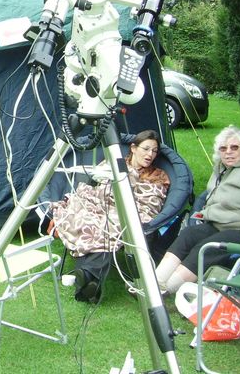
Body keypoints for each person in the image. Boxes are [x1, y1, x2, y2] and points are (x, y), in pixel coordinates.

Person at [155, 125, 240, 295]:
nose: (228, 152)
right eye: (223, 148)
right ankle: (155, 281)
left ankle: (166, 289)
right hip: (218, 225)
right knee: (188, 235)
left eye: (234, 147)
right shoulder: (222, 169)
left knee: (209, 246)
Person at [50, 130, 170, 303]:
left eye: (154, 151)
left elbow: (151, 202)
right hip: (101, 205)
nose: (150, 154)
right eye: (146, 149)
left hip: (128, 210)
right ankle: (90, 281)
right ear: (133, 148)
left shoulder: (158, 175)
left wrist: (132, 181)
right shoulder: (113, 163)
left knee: (106, 227)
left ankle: (87, 278)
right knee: (87, 219)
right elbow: (98, 186)